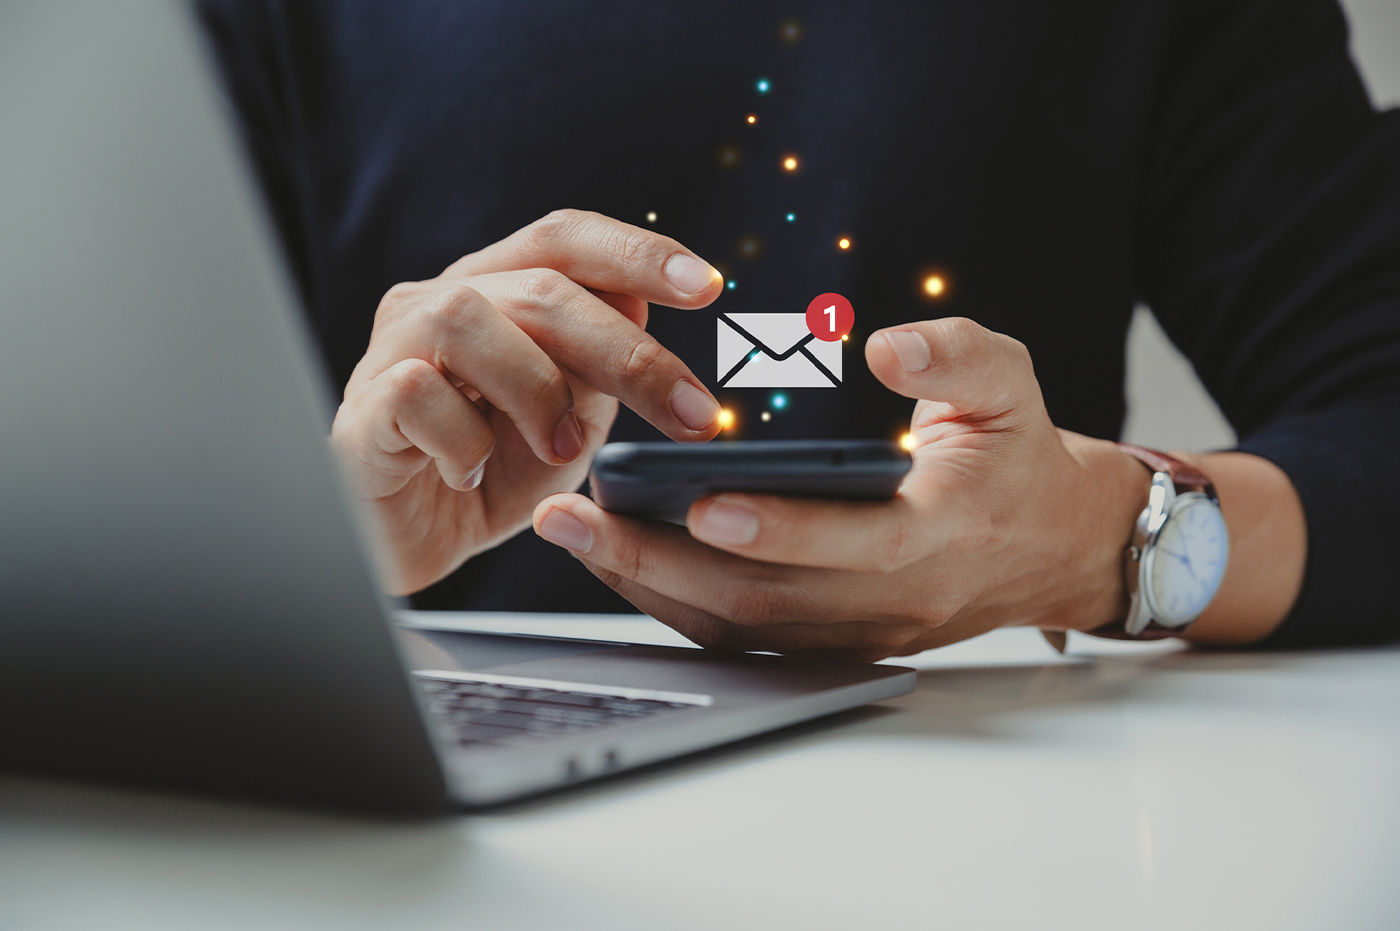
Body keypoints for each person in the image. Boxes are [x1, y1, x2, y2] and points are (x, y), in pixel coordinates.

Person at [197, 0, 1399, 657]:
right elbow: (91, 482)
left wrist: (1108, 542)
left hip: (995, 825)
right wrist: (328, 551)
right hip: (427, 825)